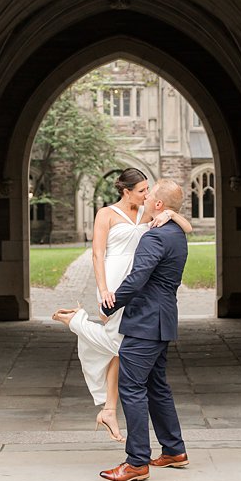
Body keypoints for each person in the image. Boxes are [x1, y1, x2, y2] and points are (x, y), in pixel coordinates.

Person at [53, 168, 190, 441]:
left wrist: (172, 213)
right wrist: (104, 289)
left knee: (121, 346)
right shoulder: (106, 214)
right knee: (120, 344)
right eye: (141, 190)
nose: (147, 194)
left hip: (141, 285)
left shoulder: (149, 211)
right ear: (126, 191)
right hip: (116, 284)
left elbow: (186, 228)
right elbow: (97, 253)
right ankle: (77, 323)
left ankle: (109, 408)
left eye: (148, 190)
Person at [97, 177, 191, 481]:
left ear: (160, 205)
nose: (147, 198)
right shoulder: (176, 233)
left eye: (151, 196)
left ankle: (136, 462)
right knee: (157, 385)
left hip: (146, 321)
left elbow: (137, 279)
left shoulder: (155, 238)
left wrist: (110, 304)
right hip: (163, 319)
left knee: (131, 387)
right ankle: (174, 450)